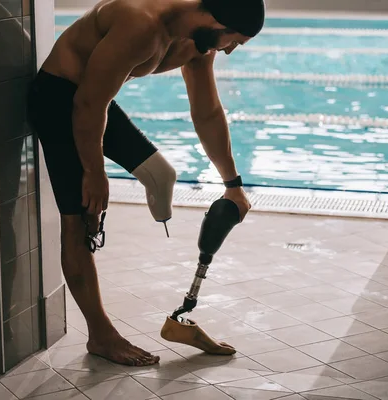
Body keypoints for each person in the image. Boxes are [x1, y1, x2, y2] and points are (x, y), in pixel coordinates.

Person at [27, 0, 265, 367]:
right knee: (79, 219)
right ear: (217, 21)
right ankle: (100, 335)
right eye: (234, 40)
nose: (230, 49)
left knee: (161, 174)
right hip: (61, 100)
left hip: (93, 103)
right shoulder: (142, 24)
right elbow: (87, 104)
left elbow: (207, 112)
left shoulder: (198, 42)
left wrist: (232, 184)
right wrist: (94, 173)